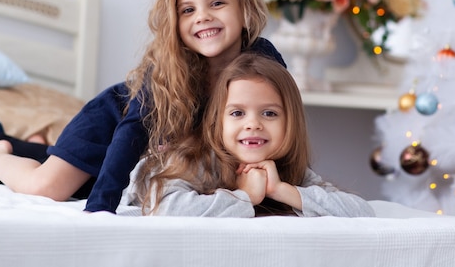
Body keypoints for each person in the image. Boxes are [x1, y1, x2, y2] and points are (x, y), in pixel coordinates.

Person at [0, 0, 286, 213]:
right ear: (174, 22)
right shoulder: (166, 69)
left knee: (84, 180)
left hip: (153, 158)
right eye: (188, 10)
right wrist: (101, 211)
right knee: (47, 187)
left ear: (244, 8)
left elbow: (283, 122)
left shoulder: (262, 62)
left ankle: (24, 145)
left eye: (216, 3)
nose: (202, 17)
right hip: (112, 124)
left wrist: (283, 187)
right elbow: (131, 134)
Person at [125, 53, 375, 218]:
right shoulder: (195, 160)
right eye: (237, 113)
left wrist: (280, 190)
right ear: (217, 122)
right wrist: (245, 198)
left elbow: (362, 212)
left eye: (269, 113)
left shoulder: (282, 170)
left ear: (291, 123)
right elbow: (165, 208)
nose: (253, 124)